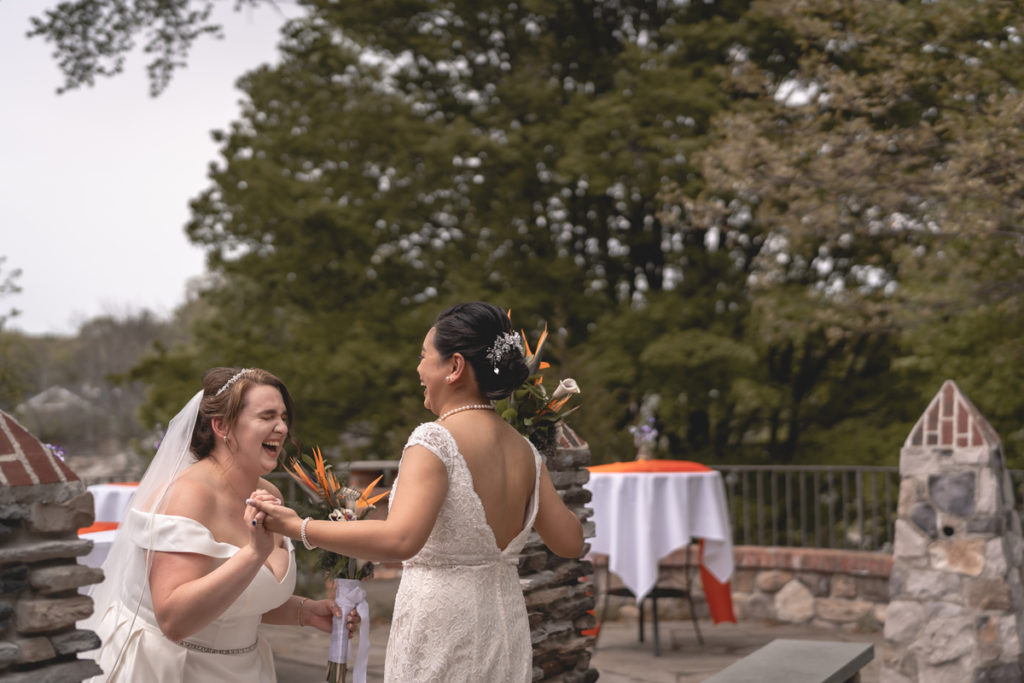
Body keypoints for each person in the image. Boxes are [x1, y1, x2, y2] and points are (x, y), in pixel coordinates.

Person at [248, 302, 585, 682]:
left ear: (455, 367)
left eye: (425, 357)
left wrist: (299, 527)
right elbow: (571, 542)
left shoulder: (434, 441)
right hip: (504, 627)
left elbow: (400, 538)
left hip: (443, 632)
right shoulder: (525, 449)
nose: (419, 369)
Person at [83, 367, 357, 682]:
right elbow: (174, 619)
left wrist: (305, 612)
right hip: (172, 669)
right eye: (267, 417)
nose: (281, 427)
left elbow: (236, 601)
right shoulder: (187, 497)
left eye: (283, 417)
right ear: (221, 426)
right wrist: (254, 553)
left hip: (242, 670)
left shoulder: (268, 493)